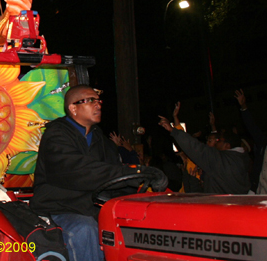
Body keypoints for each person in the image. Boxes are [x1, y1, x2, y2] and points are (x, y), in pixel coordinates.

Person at [30, 85, 167, 261]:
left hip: (90, 208)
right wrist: (137, 172)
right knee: (84, 229)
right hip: (58, 208)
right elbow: (78, 171)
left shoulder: (101, 141)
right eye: (90, 100)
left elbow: (115, 177)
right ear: (73, 108)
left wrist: (143, 186)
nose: (98, 105)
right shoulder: (57, 134)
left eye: (99, 100)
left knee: (137, 223)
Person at [159, 115, 251, 194]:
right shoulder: (242, 158)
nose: (216, 143)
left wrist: (173, 130)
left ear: (227, 146)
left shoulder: (220, 160)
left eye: (219, 140)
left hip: (219, 207)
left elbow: (195, 147)